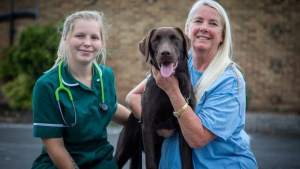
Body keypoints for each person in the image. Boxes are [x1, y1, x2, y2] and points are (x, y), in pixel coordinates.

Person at [126, 0, 258, 168]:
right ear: (188, 29)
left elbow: (198, 139)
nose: (204, 27)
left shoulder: (229, 80)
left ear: (223, 35)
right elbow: (133, 97)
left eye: (213, 23)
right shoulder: (175, 64)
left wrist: (173, 90)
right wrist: (155, 125)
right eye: (198, 21)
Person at [31, 11, 130, 169]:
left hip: (102, 162)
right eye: (80, 36)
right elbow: (54, 146)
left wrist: (144, 120)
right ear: (65, 38)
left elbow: (110, 106)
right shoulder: (47, 85)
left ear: (102, 42)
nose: (87, 43)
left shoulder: (106, 75)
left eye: (94, 37)